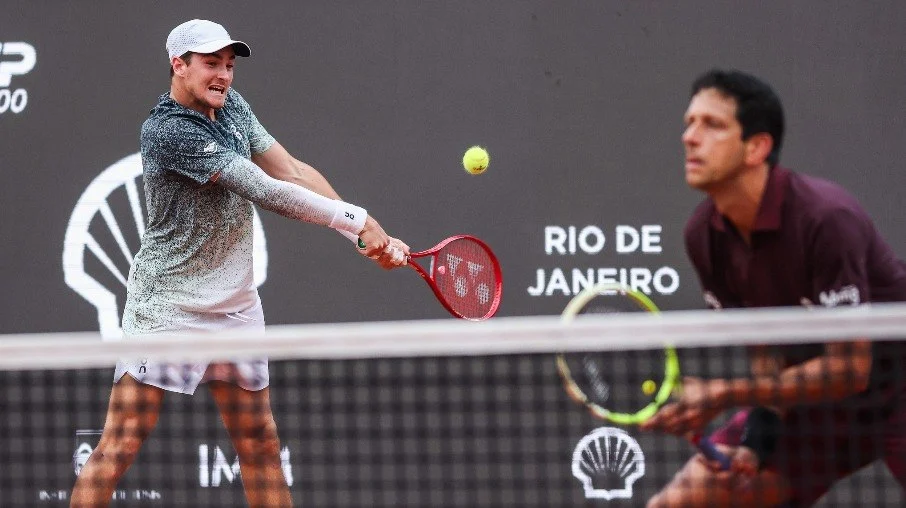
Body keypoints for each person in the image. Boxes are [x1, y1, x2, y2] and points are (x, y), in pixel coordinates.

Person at [70, 19, 408, 507]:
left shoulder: (232, 108)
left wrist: (358, 235)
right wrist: (359, 221)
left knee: (260, 443)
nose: (224, 76)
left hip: (236, 307)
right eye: (211, 64)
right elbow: (265, 190)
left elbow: (290, 170)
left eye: (229, 66)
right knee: (119, 445)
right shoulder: (167, 131)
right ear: (178, 65)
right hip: (168, 310)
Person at [642, 69, 906, 507]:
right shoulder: (704, 236)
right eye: (689, 123)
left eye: (712, 124)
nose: (690, 137)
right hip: (815, 409)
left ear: (757, 147)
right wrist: (756, 442)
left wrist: (725, 393)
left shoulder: (825, 219)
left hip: (898, 391)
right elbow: (767, 357)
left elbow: (849, 370)